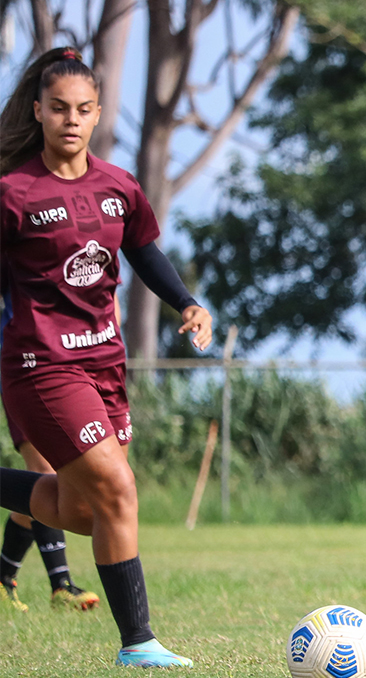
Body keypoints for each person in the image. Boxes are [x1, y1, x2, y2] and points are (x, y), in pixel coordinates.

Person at [0, 47, 212, 668]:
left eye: (84, 109)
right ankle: (138, 643)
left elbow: (145, 252)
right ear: (37, 111)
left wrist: (187, 303)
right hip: (40, 366)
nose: (71, 119)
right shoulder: (12, 194)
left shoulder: (119, 187)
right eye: (58, 108)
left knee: (84, 510)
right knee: (119, 491)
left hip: (105, 365)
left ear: (97, 115)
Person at [0, 291, 114, 612]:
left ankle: (4, 576)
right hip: (27, 367)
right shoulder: (20, 246)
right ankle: (60, 585)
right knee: (45, 474)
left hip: (70, 369)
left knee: (43, 492)